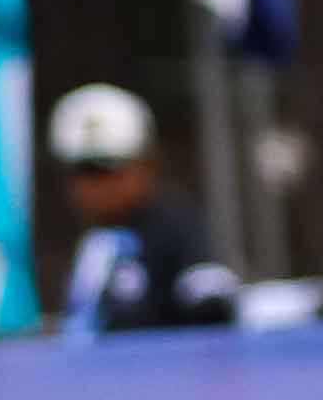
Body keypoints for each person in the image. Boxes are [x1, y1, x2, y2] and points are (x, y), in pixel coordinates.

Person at [47, 83, 241, 337]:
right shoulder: (88, 242)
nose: (95, 186)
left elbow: (214, 317)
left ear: (145, 164)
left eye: (108, 170)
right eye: (82, 171)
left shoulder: (178, 231)